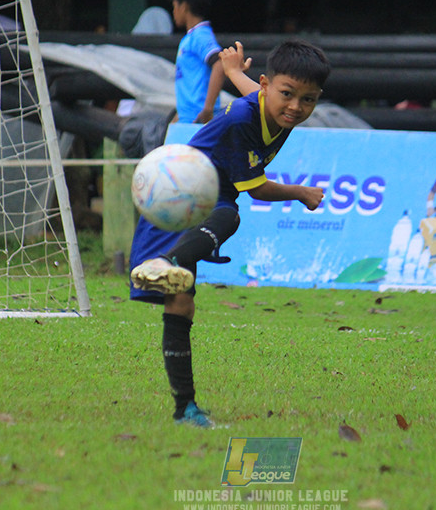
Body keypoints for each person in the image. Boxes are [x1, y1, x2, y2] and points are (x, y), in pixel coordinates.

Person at [128, 38, 331, 428]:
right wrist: (300, 193)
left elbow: (256, 92)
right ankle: (168, 260)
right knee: (229, 217)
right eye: (288, 95)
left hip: (201, 193)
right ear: (269, 85)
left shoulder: (272, 104)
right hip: (181, 191)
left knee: (181, 303)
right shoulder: (243, 120)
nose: (296, 107)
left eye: (308, 100)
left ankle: (184, 409)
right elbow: (255, 189)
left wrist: (235, 71)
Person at [167, 0, 225, 124]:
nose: (173, 12)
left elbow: (219, 64)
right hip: (187, 119)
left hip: (198, 121)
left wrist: (208, 109)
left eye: (174, 6)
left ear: (184, 6)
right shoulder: (189, 38)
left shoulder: (200, 36)